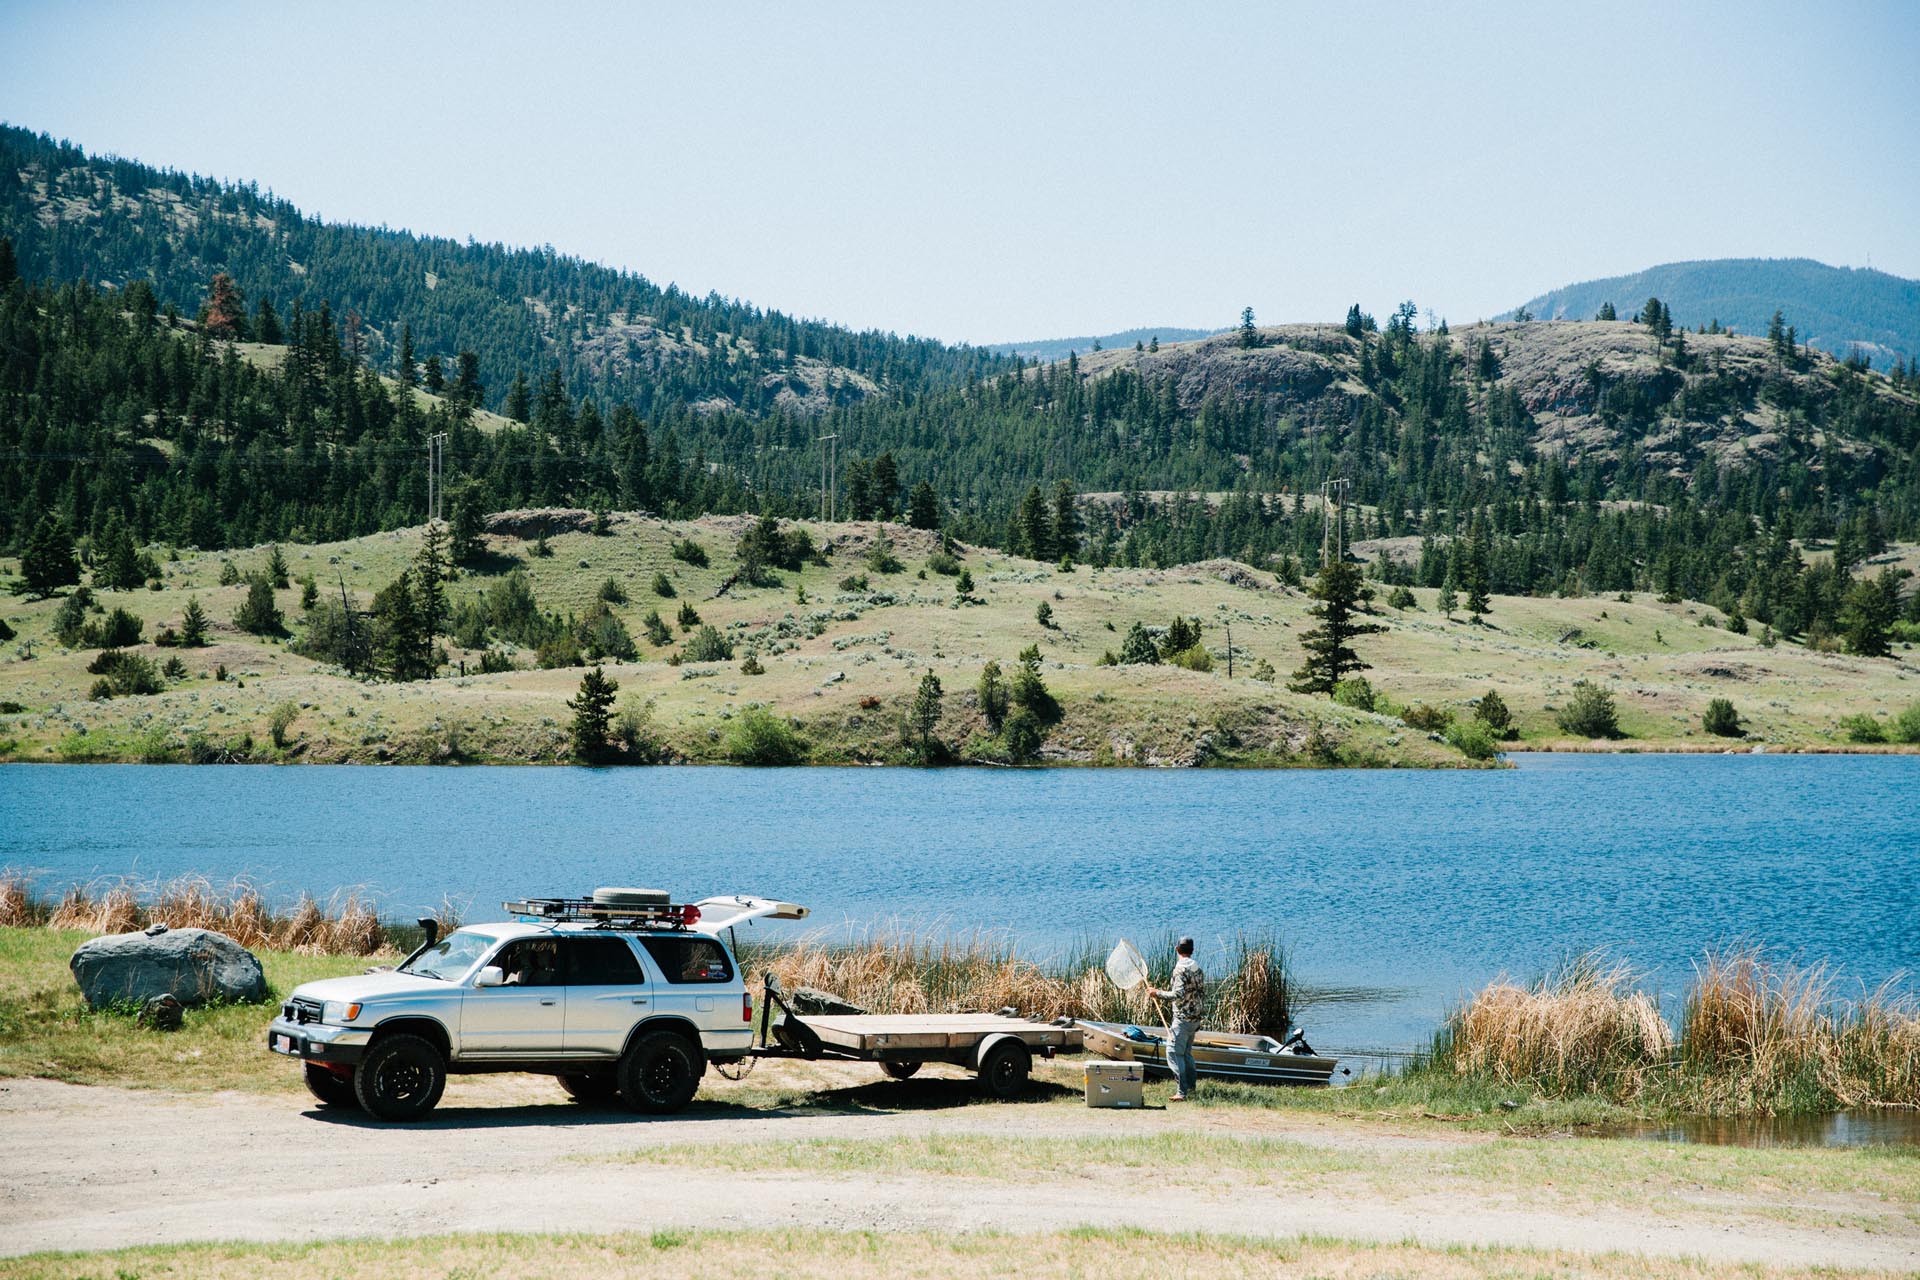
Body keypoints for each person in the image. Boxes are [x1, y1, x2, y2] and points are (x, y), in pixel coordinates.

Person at [1152, 936, 1205, 1101]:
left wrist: (1157, 993)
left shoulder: (1179, 969)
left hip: (1183, 1018)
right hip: (1196, 1017)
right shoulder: (1197, 967)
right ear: (1192, 950)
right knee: (1186, 1053)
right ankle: (1191, 1087)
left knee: (1174, 1053)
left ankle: (1182, 1092)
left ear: (1177, 950)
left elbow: (1178, 994)